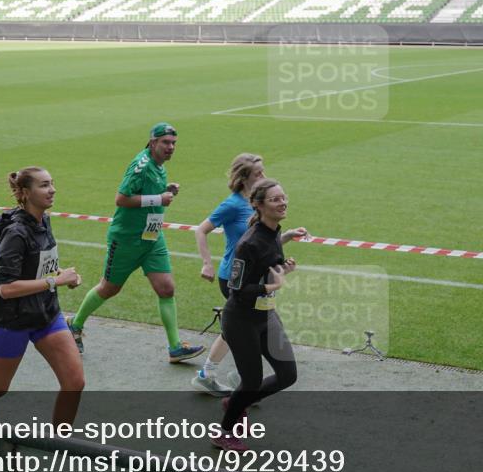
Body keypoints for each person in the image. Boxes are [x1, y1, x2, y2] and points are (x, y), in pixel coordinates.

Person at [66, 123, 204, 363]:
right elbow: (121, 199)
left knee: (166, 288)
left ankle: (174, 347)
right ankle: (74, 325)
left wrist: (166, 190)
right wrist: (158, 197)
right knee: (109, 288)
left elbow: (149, 193)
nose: (171, 147)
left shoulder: (159, 166)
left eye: (173, 143)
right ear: (152, 143)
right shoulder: (140, 166)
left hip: (152, 237)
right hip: (126, 240)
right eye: (165, 143)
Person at [0, 167, 85, 426]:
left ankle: (58, 444)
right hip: (12, 320)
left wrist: (62, 274)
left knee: (74, 383)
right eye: (44, 185)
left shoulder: (44, 220)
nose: (52, 189)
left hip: (46, 314)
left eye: (52, 183)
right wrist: (56, 280)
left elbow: (39, 267)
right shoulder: (15, 233)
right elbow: (6, 289)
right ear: (24, 193)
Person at [193, 153, 307, 396]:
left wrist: (286, 236)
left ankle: (221, 375)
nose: (263, 176)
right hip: (233, 277)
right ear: (244, 179)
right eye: (258, 173)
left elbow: (261, 241)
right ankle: (234, 380)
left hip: (256, 277)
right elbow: (201, 231)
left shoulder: (257, 203)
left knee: (239, 329)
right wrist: (207, 264)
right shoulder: (233, 204)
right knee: (242, 327)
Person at [212, 179, 299, 452]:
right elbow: (236, 289)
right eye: (275, 199)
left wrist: (282, 269)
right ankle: (224, 431)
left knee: (288, 374)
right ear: (258, 205)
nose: (282, 202)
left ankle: (236, 402)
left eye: (283, 197)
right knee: (250, 381)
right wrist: (270, 285)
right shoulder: (247, 243)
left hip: (266, 315)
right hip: (241, 320)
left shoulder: (274, 232)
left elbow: (267, 267)